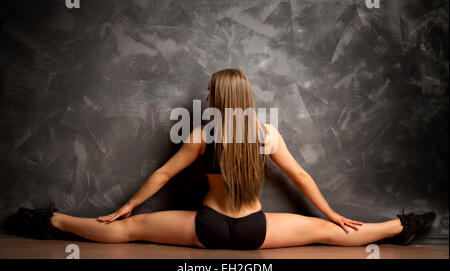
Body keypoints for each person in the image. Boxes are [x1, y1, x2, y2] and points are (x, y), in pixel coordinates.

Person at [5, 68, 436, 250]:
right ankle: (402, 227)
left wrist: (128, 207)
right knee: (328, 232)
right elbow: (301, 175)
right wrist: (332, 212)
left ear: (218, 98)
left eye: (210, 92)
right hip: (255, 230)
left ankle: (50, 221)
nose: (206, 96)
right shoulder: (266, 134)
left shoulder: (202, 133)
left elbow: (163, 172)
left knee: (130, 231)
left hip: (205, 228)